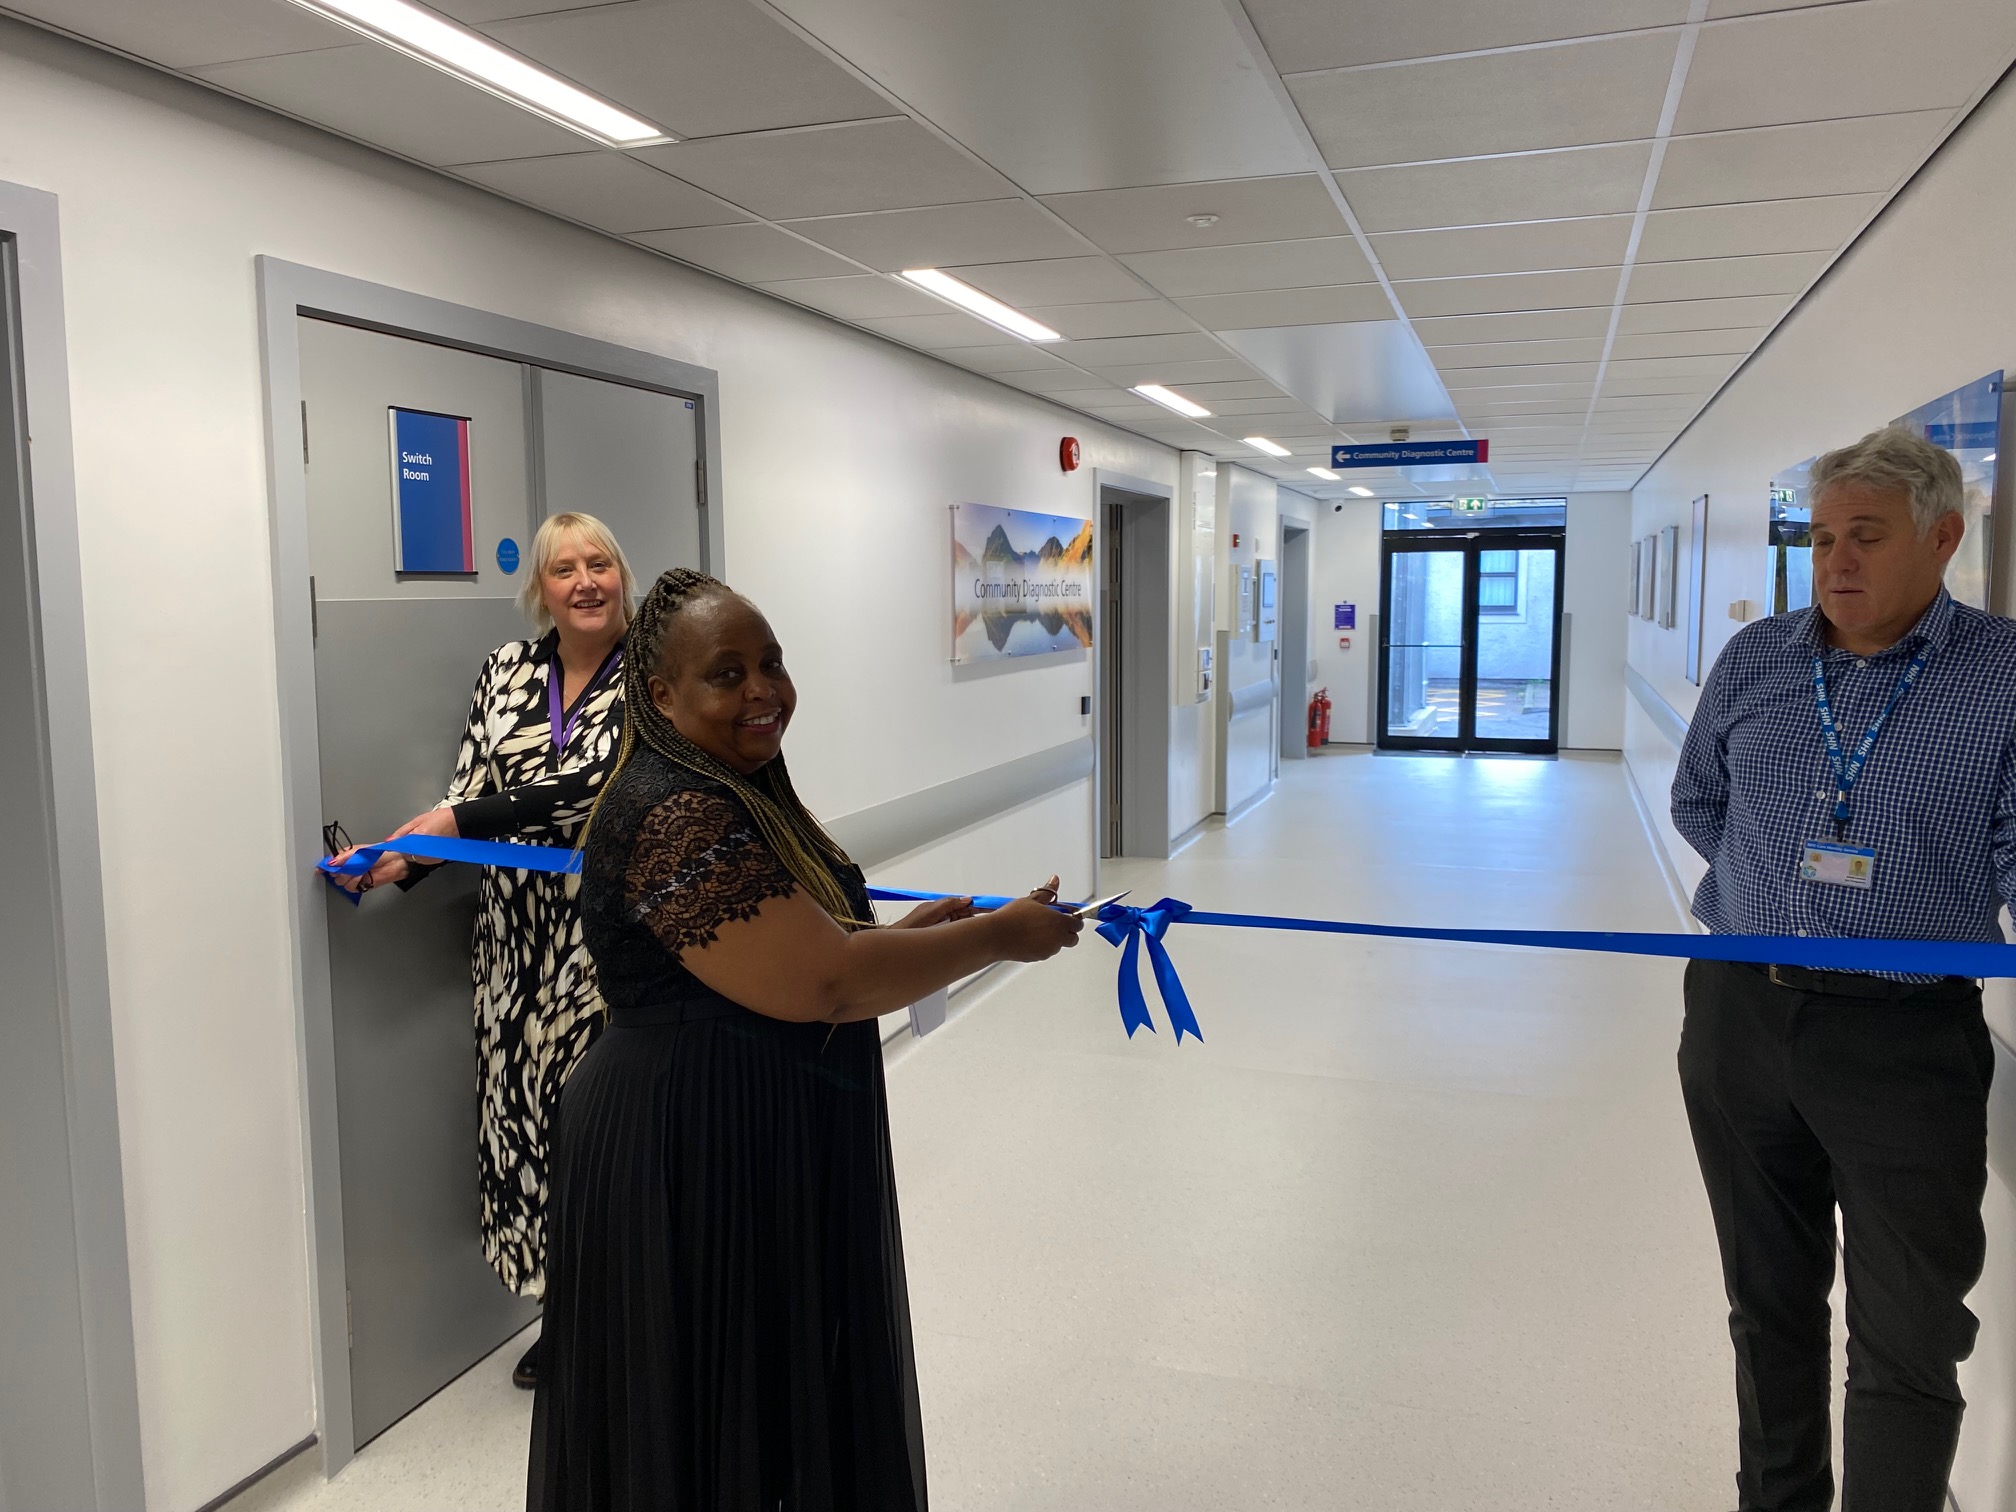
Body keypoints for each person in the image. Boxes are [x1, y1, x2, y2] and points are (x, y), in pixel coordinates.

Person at [528, 568, 1084, 1511]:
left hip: (748, 1130)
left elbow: (794, 955)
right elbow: (823, 983)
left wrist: (902, 944)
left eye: (773, 664)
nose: (762, 692)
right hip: (687, 1152)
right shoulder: (678, 812)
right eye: (727, 673)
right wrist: (993, 938)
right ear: (661, 694)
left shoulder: (737, 785)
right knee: (709, 1419)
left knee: (767, 1409)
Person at [1671, 425, 2012, 1512]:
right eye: (1820, 538)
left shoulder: (2002, 676)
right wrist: (1778, 894)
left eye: (1864, 536)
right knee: (1766, 1306)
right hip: (1740, 1019)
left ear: (1944, 536)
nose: (1834, 564)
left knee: (1908, 1330)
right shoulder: (1760, 657)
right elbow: (1699, 799)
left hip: (1904, 1042)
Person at [332, 511, 636, 1391]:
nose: (584, 582)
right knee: (523, 1133)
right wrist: (404, 860)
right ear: (538, 589)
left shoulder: (655, 674)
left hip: (607, 943)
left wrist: (457, 822)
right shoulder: (507, 670)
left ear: (622, 574)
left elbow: (596, 791)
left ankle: (626, 1315)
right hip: (513, 943)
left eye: (599, 563)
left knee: (596, 1134)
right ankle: (565, 1315)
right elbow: (470, 790)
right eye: (563, 569)